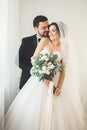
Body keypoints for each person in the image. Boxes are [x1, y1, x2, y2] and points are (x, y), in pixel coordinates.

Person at [5, 22, 85, 130]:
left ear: (60, 33)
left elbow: (63, 70)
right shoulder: (45, 41)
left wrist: (60, 86)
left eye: (53, 31)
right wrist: (42, 74)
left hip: (55, 81)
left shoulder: (65, 47)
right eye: (49, 30)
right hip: (39, 80)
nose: (50, 33)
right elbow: (33, 59)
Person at [19, 15, 49, 89]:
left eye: (48, 26)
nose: (47, 29)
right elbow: (19, 61)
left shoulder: (52, 41)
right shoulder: (26, 41)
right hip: (28, 81)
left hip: (46, 82)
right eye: (44, 27)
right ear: (36, 28)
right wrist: (33, 70)